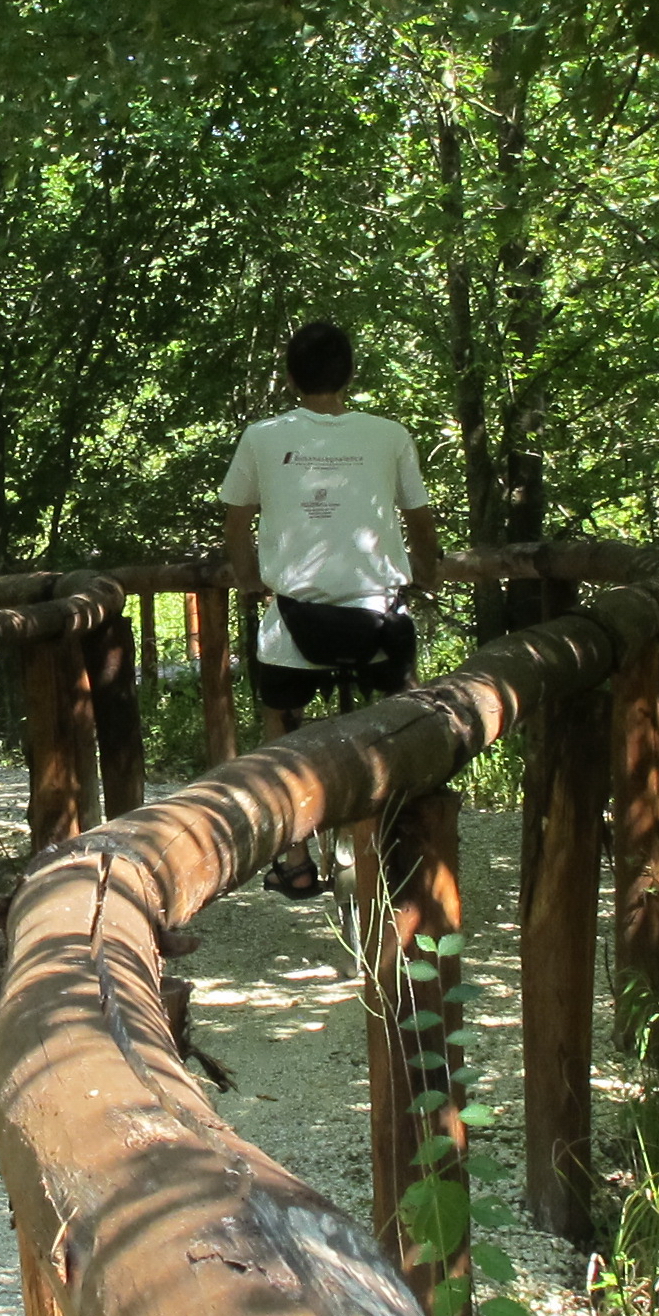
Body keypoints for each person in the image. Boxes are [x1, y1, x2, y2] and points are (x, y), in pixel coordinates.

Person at [215, 317, 442, 897]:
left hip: (295, 619)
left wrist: (247, 580)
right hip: (381, 614)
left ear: (291, 377)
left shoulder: (263, 437)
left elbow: (236, 519)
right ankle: (407, 835)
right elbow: (419, 519)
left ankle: (293, 856)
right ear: (351, 374)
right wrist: (425, 574)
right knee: (405, 713)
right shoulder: (390, 435)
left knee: (278, 723)